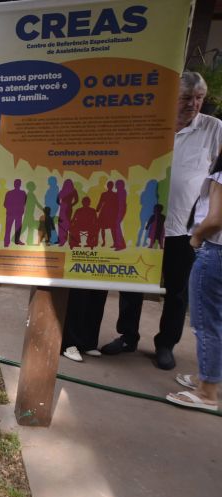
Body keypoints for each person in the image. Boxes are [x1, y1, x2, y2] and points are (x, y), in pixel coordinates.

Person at [101, 72, 222, 370]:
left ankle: (165, 344)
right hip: (143, 223)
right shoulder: (153, 123)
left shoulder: (214, 128)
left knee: (177, 291)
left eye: (198, 98)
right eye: (185, 98)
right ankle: (127, 336)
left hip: (185, 227)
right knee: (132, 283)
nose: (193, 104)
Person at [167, 154, 222, 411]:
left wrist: (196, 238)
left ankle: (207, 392)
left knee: (206, 322)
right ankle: (207, 376)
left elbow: (215, 219)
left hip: (215, 250)